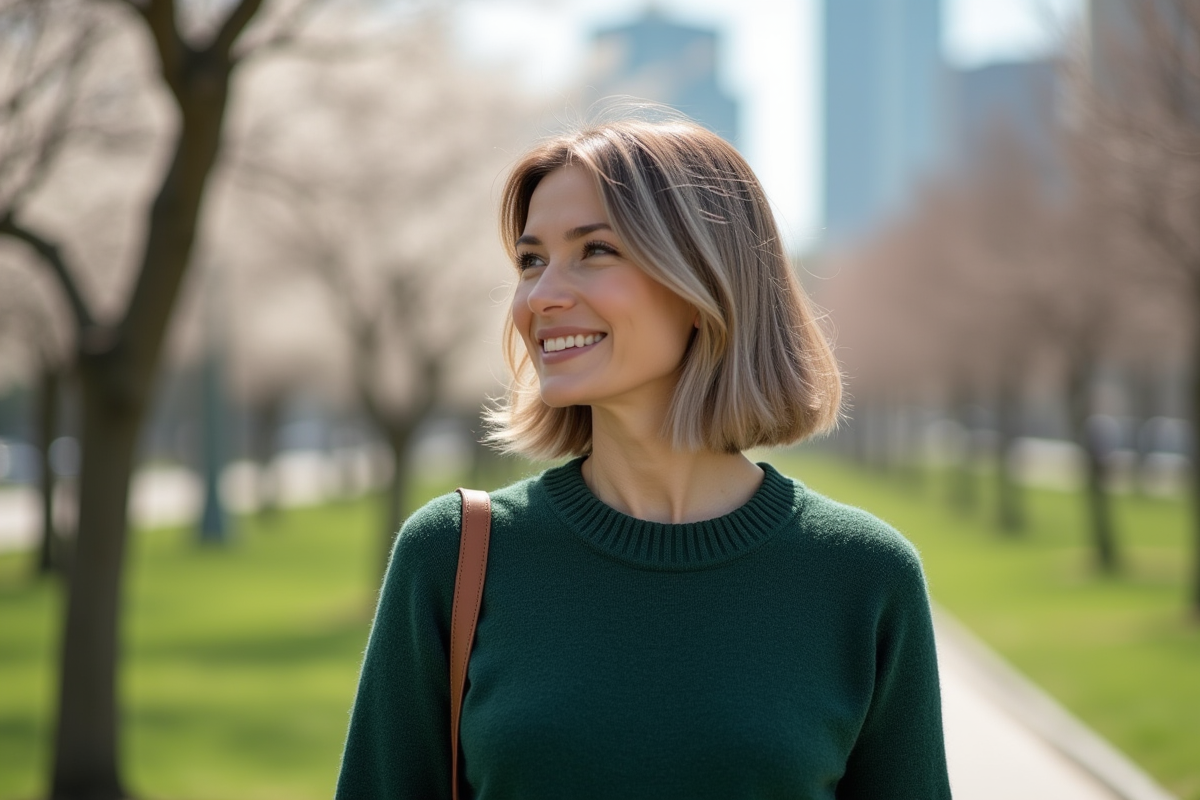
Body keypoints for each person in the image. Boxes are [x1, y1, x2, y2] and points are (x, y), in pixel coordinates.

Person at [335, 115, 952, 799]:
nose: (541, 297)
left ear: (704, 286)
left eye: (594, 251)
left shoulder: (864, 577)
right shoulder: (453, 557)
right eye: (531, 260)